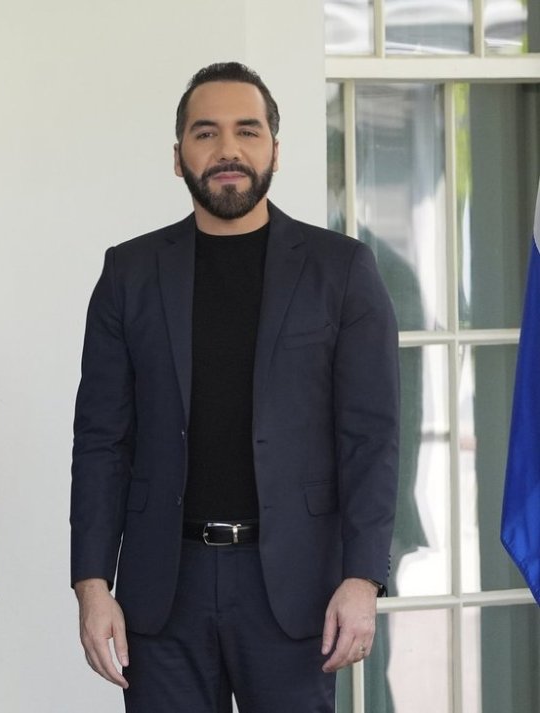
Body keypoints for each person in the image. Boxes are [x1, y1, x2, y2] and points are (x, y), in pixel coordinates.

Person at [70, 62, 399, 712]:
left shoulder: (342, 271)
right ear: (177, 157)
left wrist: (363, 577)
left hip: (296, 587)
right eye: (205, 133)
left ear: (275, 149)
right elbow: (102, 441)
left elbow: (372, 438)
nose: (227, 150)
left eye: (247, 132)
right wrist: (91, 583)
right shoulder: (130, 273)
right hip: (165, 589)